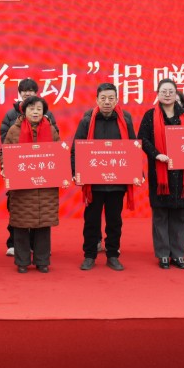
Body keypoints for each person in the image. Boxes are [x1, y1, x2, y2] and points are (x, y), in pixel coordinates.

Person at [71, 83, 137, 271]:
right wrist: (76, 172)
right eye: (103, 98)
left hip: (117, 182)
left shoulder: (125, 119)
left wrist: (135, 172)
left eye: (111, 98)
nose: (107, 102)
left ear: (117, 100)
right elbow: (76, 148)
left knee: (114, 221)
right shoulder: (87, 120)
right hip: (93, 183)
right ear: (97, 100)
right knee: (91, 221)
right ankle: (89, 255)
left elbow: (133, 147)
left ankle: (113, 255)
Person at [140, 79, 184, 270]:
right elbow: (143, 139)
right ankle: (163, 254)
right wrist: (157, 155)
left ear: (176, 93)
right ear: (158, 94)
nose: (167, 94)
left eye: (171, 91)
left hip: (182, 174)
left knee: (180, 215)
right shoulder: (150, 115)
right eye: (163, 91)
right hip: (160, 171)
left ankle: (178, 254)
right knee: (161, 215)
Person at [0, 78, 59, 256]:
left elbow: (56, 146)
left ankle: (39, 250)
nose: (27, 93)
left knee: (41, 213)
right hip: (20, 172)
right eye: (24, 91)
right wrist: (9, 163)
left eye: (31, 91)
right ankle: (16, 246)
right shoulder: (11, 117)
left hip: (42, 174)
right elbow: (6, 142)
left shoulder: (48, 118)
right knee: (18, 211)